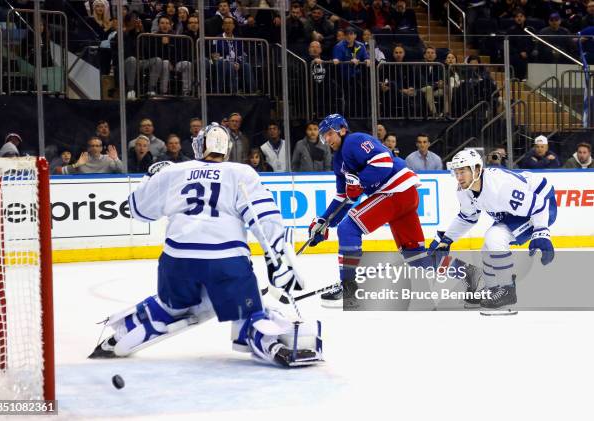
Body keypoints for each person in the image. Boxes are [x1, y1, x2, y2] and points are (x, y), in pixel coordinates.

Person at [88, 123, 322, 367]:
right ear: (228, 148)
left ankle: (135, 326)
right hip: (225, 261)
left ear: (199, 146)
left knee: (177, 305)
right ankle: (265, 338)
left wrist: (150, 176)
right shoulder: (240, 173)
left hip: (176, 262)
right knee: (246, 310)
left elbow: (138, 209)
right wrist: (278, 260)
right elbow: (263, 218)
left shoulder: (173, 172)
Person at [308, 114, 424, 307]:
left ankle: (349, 290)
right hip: (404, 196)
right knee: (417, 257)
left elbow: (383, 162)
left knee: (348, 229)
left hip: (395, 190)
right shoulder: (338, 161)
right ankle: (467, 275)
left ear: (342, 130)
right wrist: (324, 221)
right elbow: (343, 196)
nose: (327, 140)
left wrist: (360, 183)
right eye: (323, 137)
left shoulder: (354, 140)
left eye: (329, 134)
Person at [429, 149, 557, 313]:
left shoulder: (500, 189)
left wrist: (542, 232)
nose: (458, 177)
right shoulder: (464, 189)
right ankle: (493, 289)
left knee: (494, 237)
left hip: (543, 204)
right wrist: (446, 240)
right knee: (487, 247)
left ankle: (507, 291)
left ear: (476, 170)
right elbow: (468, 217)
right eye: (456, 172)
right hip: (517, 209)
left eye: (462, 172)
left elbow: (539, 205)